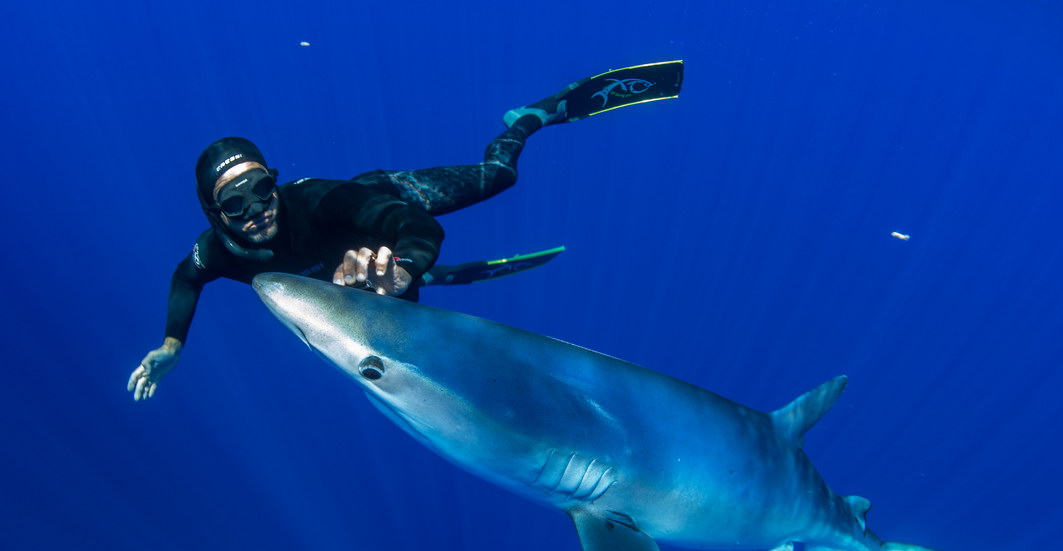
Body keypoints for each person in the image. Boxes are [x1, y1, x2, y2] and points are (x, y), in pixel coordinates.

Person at [127, 61, 685, 401]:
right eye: (235, 203)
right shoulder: (217, 252)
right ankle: (413, 280)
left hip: (383, 202)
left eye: (262, 189)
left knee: (500, 176)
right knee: (390, 309)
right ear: (215, 213)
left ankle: (529, 119)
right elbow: (185, 280)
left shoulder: (319, 202)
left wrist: (407, 267)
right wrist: (172, 344)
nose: (257, 210)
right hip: (350, 275)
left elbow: (414, 225)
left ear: (276, 182)